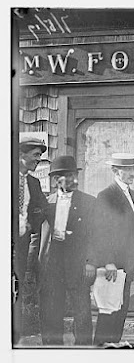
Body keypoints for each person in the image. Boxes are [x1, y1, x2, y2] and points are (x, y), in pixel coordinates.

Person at [86, 153, 134, 346]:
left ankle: (114, 349)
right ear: (115, 171)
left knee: (121, 311)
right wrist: (108, 261)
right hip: (112, 266)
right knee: (109, 312)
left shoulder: (133, 195)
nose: (131, 173)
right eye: (126, 169)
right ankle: (101, 351)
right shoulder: (106, 195)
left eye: (132, 168)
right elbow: (99, 232)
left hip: (127, 263)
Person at [37, 156, 95, 345]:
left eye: (74, 176)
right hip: (52, 265)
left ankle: (83, 353)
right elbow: (36, 234)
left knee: (82, 314)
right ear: (56, 180)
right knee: (52, 313)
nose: (73, 180)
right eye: (67, 177)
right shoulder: (47, 203)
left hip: (78, 265)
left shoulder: (89, 203)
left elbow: (96, 236)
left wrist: (90, 262)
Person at [14, 137, 48, 344]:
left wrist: (31, 225)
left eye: (40, 156)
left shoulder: (33, 183)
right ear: (21, 155)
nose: (38, 160)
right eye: (35, 155)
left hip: (23, 244)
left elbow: (42, 208)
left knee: (19, 284)